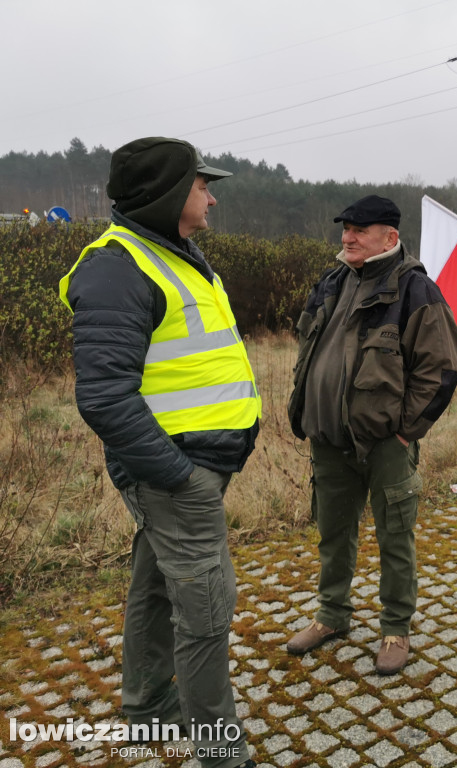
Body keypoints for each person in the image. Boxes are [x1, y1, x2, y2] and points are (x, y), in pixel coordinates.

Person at [58, 137, 260, 768]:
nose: (212, 195)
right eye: (202, 184)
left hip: (192, 467)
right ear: (171, 194)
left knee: (154, 586)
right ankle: (221, 752)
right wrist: (178, 477)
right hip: (175, 473)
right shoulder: (119, 266)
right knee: (205, 605)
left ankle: (147, 711)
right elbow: (103, 397)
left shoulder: (172, 254)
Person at [285, 195, 457, 675]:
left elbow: (441, 370)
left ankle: (395, 628)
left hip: (386, 444)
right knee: (333, 532)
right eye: (346, 229)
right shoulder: (332, 280)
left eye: (360, 230)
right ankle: (331, 616)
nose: (348, 237)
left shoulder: (416, 290)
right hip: (328, 438)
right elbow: (308, 351)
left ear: (390, 236)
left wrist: (406, 434)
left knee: (395, 537)